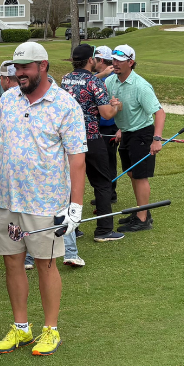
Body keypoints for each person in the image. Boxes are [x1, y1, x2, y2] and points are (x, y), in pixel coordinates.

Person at [0, 42, 87, 357]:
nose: (19, 73)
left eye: (25, 67)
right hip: (8, 201)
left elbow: (77, 160)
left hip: (46, 203)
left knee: (46, 265)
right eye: (16, 67)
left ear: (43, 65)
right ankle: (21, 328)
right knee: (12, 262)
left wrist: (75, 207)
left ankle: (51, 330)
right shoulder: (8, 100)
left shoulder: (66, 106)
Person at [60, 44, 124, 249]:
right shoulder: (95, 83)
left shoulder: (65, 79)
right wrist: (116, 107)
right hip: (91, 138)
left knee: (69, 184)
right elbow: (106, 114)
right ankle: (104, 230)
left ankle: (72, 228)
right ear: (91, 60)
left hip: (69, 140)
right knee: (102, 182)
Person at [104, 44, 166, 233]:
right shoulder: (111, 81)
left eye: (119, 61)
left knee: (140, 176)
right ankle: (142, 210)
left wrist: (156, 139)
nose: (115, 64)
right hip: (126, 132)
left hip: (143, 133)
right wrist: (121, 128)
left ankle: (143, 218)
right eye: (113, 60)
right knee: (131, 173)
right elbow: (120, 108)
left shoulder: (140, 85)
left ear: (130, 63)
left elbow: (159, 113)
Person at [92, 45, 120, 202]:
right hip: (98, 127)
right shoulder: (100, 75)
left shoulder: (109, 78)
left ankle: (110, 194)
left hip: (108, 126)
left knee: (108, 162)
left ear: (100, 60)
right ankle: (103, 193)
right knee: (98, 163)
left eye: (95, 59)